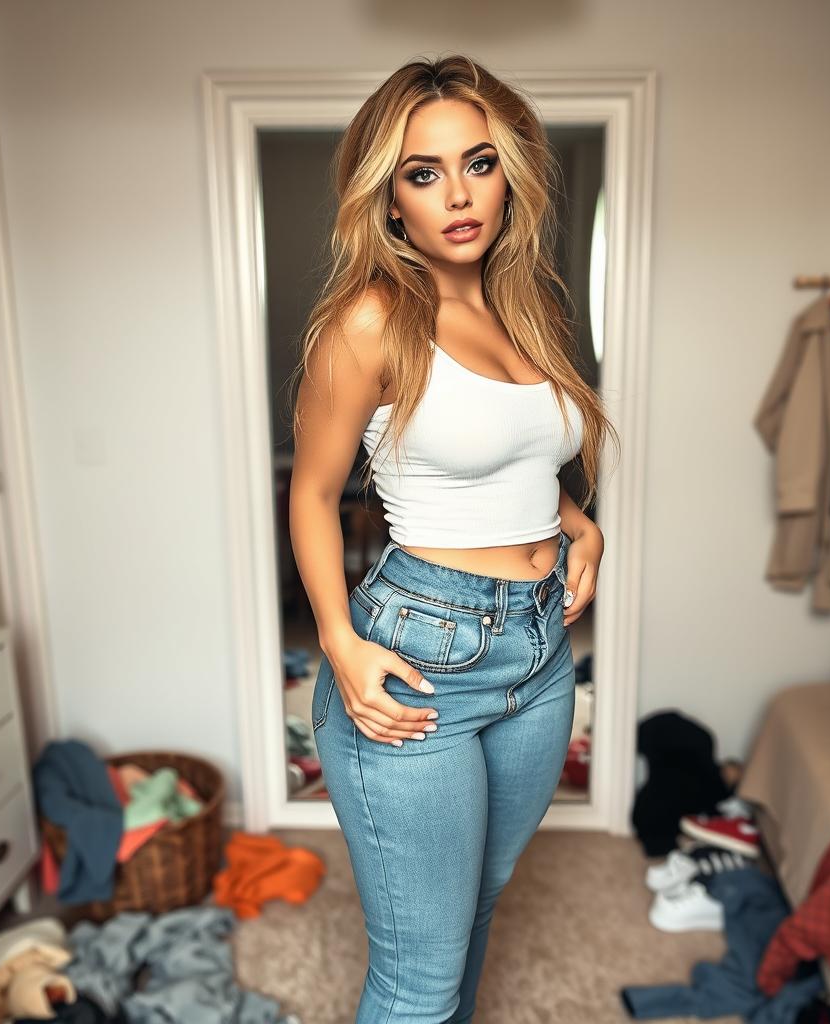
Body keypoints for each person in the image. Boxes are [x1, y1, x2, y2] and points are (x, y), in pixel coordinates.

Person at [287, 54, 619, 1023]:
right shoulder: (368, 320)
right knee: (418, 977)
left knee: (470, 908)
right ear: (389, 200)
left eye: (476, 163)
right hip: (420, 648)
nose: (457, 195)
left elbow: (515, 458)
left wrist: (576, 521)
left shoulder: (524, 308)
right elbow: (312, 495)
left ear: (507, 174)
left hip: (539, 653)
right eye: (423, 173)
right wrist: (339, 646)